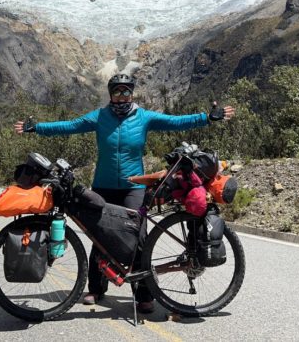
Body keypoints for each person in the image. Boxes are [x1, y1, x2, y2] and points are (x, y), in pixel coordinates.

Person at [13, 73, 234, 314]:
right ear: (110, 94)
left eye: (126, 91)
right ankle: (97, 288)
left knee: (138, 239)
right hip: (103, 186)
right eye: (117, 91)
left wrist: (207, 118)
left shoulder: (144, 117)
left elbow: (175, 121)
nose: (122, 96)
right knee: (99, 236)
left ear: (132, 93)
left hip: (133, 188)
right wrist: (36, 128)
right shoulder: (99, 117)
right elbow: (69, 126)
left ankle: (144, 294)